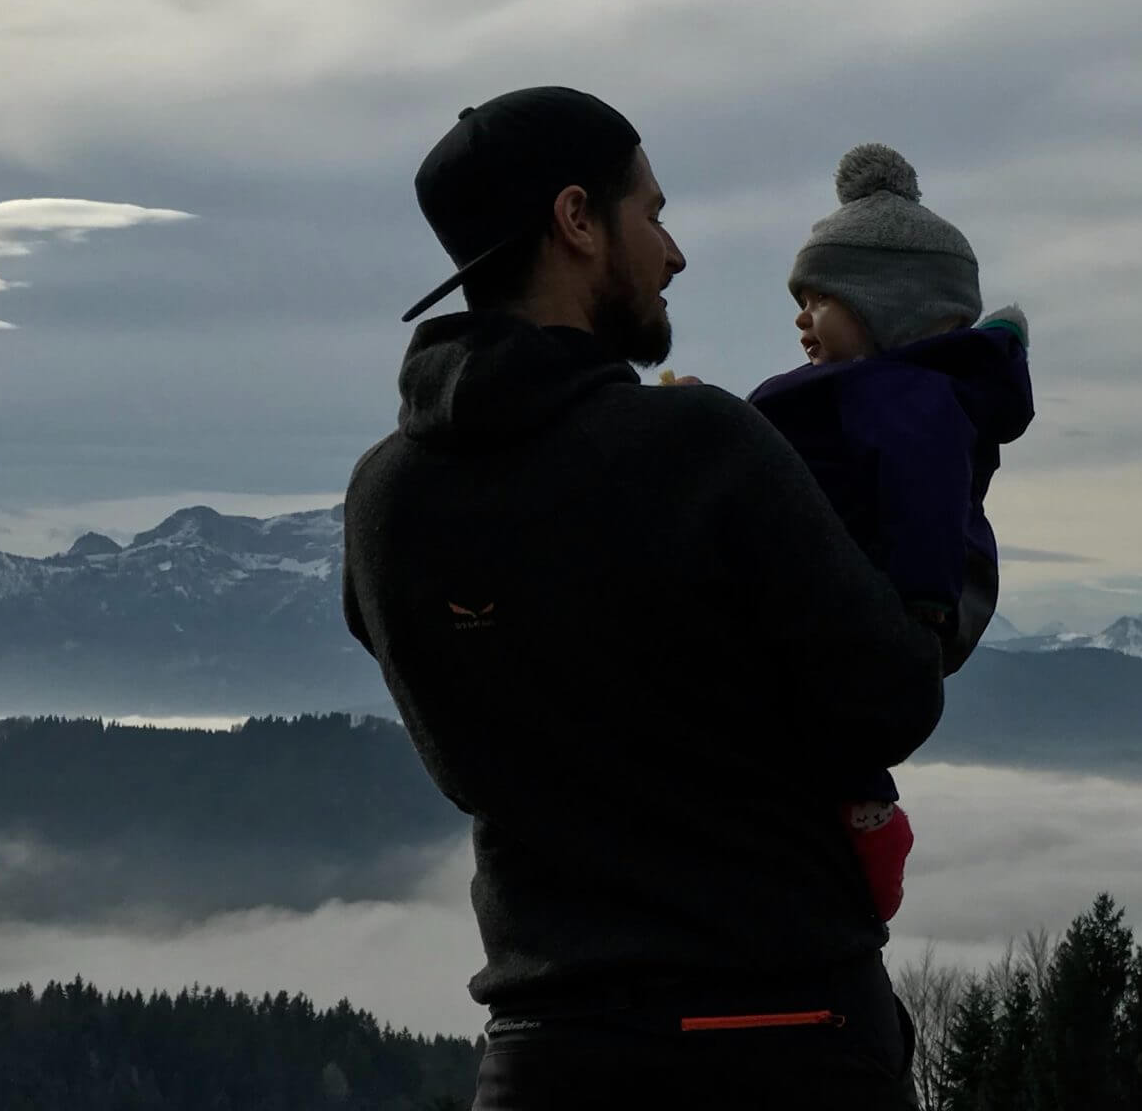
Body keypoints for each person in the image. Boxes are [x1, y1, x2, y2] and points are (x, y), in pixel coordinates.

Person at [342, 87, 940, 1109]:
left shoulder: (384, 500)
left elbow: (470, 758)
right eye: (652, 214)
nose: (674, 253)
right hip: (780, 1037)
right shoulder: (699, 447)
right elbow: (892, 694)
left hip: (542, 1056)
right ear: (576, 221)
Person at [739, 142, 1034, 925]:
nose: (801, 319)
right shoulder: (866, 394)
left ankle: (870, 827)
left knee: (832, 735)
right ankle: (863, 825)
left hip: (874, 607)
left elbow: (925, 500)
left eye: (819, 299)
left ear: (886, 306)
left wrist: (923, 603)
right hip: (834, 606)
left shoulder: (908, 401)